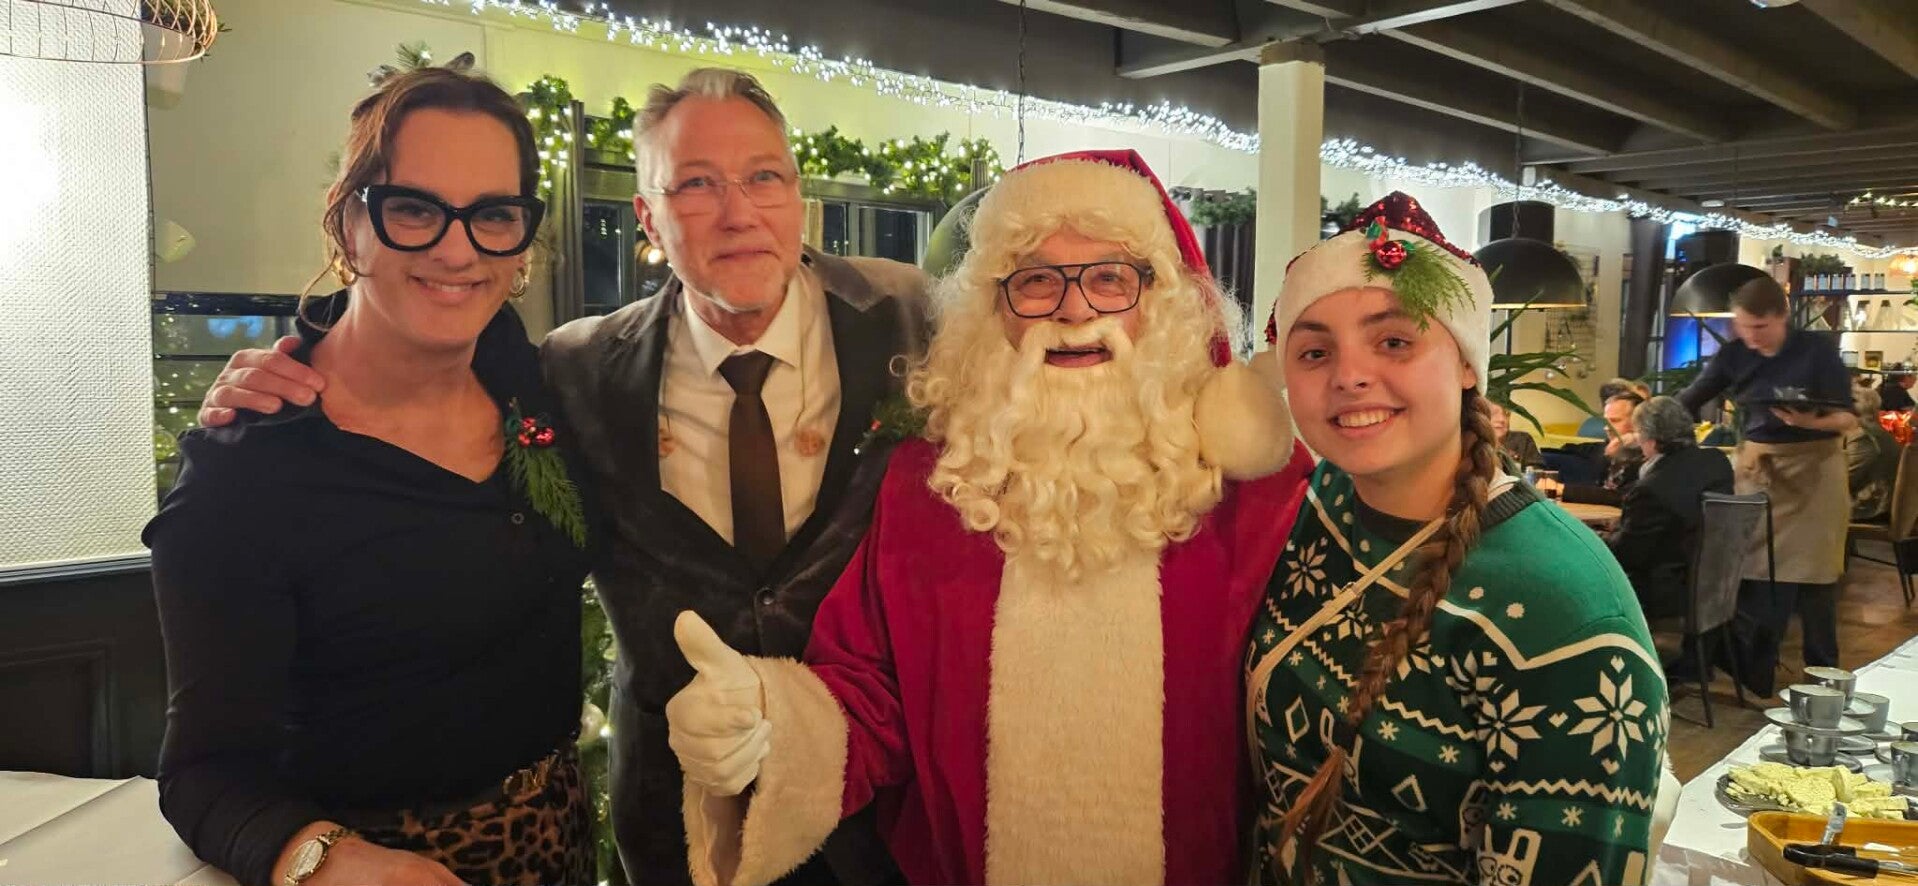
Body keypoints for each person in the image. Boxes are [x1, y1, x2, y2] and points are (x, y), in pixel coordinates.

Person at [195, 67, 922, 886]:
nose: (739, 212)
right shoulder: (576, 370)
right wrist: (282, 372)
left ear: (797, 195)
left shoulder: (915, 319)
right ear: (646, 216)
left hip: (889, 805)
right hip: (678, 821)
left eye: (764, 177)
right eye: (695, 184)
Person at [662, 150, 1314, 886]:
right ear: (993, 310)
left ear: (1160, 302)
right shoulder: (929, 485)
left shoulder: (1254, 493)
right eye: (1036, 281)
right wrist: (766, 724)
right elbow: (870, 694)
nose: (1074, 311)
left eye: (1110, 278)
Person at [147, 63, 595, 886]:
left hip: (561, 843)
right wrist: (320, 860)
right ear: (348, 222)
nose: (458, 249)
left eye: (493, 213)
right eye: (414, 208)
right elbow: (203, 775)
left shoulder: (536, 380)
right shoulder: (249, 469)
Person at [1249, 193, 1671, 886]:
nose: (1349, 376)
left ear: (1468, 363)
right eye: (1315, 351)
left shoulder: (1564, 612)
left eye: (1394, 341)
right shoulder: (1307, 509)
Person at [1677, 276, 1853, 688]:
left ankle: (1824, 678)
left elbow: (1848, 418)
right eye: (1743, 326)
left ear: (1782, 317)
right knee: (1751, 573)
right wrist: (1648, 425)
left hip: (1816, 469)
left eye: (1760, 327)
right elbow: (1692, 397)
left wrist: (1808, 421)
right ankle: (1753, 672)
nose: (1752, 336)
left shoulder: (1817, 351)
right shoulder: (1735, 354)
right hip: (1759, 468)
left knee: (1817, 579)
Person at [1606, 396, 1735, 620]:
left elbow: (1627, 555)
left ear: (1649, 439)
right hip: (1714, 586)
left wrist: (1593, 538)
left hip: (1662, 593)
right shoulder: (1717, 462)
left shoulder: (1652, 488)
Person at [1846, 385, 1899, 522]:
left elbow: (1845, 480)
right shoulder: (1875, 432)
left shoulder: (1863, 436)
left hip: (1867, 510)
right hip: (1877, 505)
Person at [1603, 391, 1648, 490]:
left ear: (1638, 422)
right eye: (1606, 422)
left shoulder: (1651, 457)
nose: (1607, 428)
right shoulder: (1605, 448)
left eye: (1615, 421)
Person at [1487, 400, 1543, 469]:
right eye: (1494, 413)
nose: (1502, 419)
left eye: (1506, 414)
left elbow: (1537, 470)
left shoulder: (1523, 440)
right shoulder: (1475, 441)